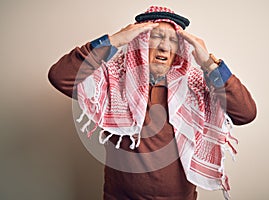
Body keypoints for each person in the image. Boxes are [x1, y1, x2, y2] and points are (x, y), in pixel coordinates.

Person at [48, 6, 256, 200]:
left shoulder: (195, 85)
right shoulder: (112, 80)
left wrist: (210, 64)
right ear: (141, 41)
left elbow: (246, 113)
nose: (164, 47)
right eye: (156, 37)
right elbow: (60, 76)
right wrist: (114, 41)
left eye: (172, 41)